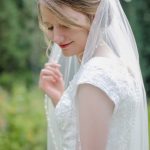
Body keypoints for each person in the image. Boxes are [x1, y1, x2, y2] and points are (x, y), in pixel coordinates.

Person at [38, 0, 149, 149]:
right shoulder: (115, 64)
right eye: (50, 27)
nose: (56, 38)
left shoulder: (95, 77)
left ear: (95, 16)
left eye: (65, 24)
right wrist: (59, 97)